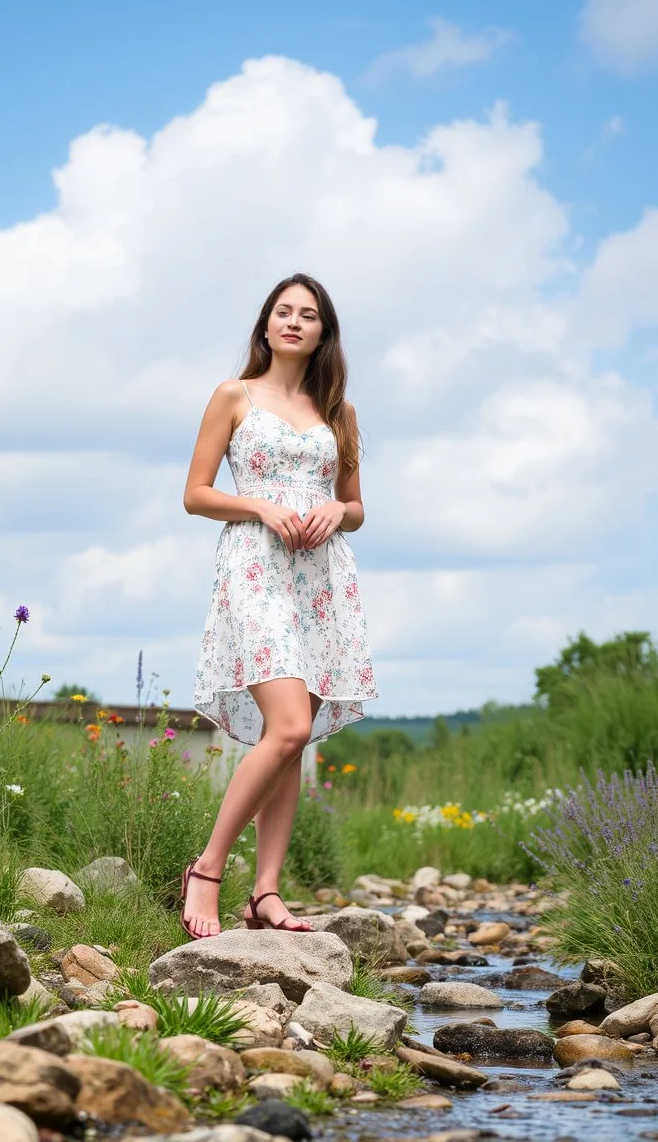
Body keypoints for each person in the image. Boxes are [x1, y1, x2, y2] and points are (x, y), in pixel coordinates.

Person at [181, 273, 378, 938]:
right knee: (289, 725)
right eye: (283, 311)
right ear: (265, 326)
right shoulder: (233, 395)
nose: (294, 322)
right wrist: (261, 503)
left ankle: (265, 891)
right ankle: (207, 870)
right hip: (256, 568)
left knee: (289, 744)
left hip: (322, 580)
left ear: (324, 331)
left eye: (309, 314)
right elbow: (196, 493)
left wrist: (335, 509)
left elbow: (356, 507)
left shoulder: (339, 412)